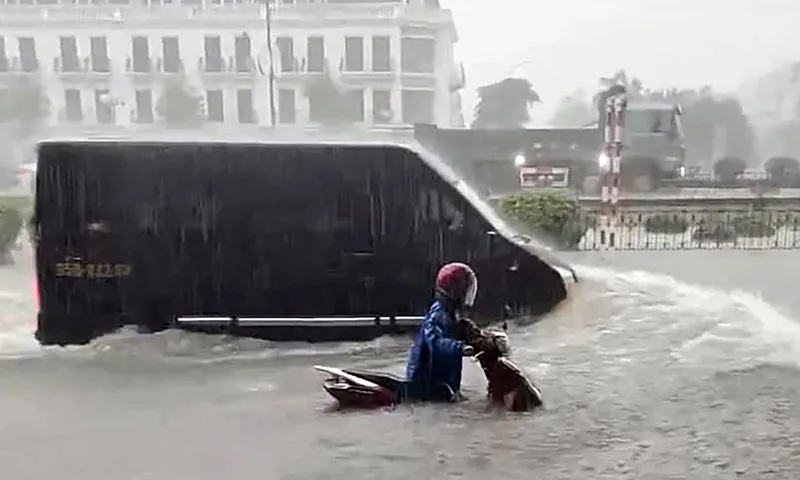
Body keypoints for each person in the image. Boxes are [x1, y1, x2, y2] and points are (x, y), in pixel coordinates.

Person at [404, 262, 480, 403]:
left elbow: (454, 331)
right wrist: (459, 348)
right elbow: (436, 342)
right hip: (426, 386)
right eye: (465, 290)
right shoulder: (437, 315)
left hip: (444, 386)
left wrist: (472, 333)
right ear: (455, 292)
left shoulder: (450, 315)